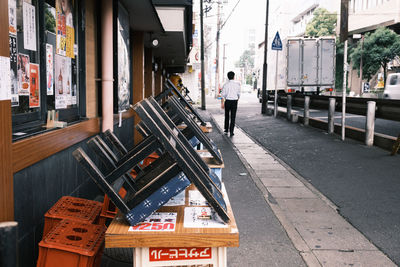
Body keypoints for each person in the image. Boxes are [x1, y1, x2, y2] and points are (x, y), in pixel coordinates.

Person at [221, 71, 241, 136]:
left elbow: (223, 95)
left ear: (228, 77)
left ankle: (226, 129)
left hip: (228, 101)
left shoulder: (225, 85)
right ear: (234, 77)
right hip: (234, 101)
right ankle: (231, 131)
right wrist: (236, 99)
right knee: (233, 116)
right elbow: (239, 94)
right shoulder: (237, 84)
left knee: (227, 116)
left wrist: (222, 103)